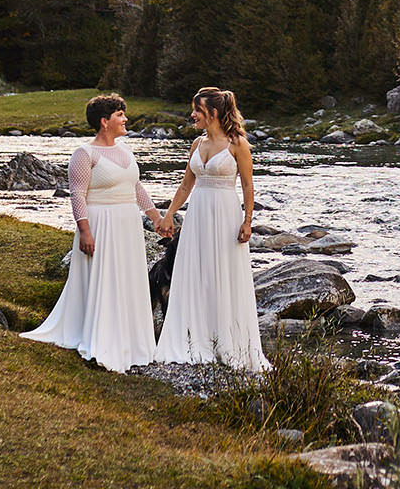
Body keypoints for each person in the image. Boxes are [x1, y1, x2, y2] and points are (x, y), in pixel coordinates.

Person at [21, 93, 168, 369]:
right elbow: (77, 195)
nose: (125, 119)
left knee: (127, 279)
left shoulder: (126, 150)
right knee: (105, 279)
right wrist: (85, 231)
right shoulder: (84, 154)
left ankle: (132, 339)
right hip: (101, 224)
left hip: (128, 225)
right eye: (119, 115)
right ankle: (100, 335)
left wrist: (157, 218)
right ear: (104, 122)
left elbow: (136, 189)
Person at [156, 87, 266, 370]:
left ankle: (226, 340)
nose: (192, 115)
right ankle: (194, 336)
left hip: (225, 215)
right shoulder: (197, 144)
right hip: (198, 216)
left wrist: (247, 221)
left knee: (223, 273)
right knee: (195, 272)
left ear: (213, 113)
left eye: (197, 111)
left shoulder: (237, 144)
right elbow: (185, 185)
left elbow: (247, 184)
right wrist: (168, 216)